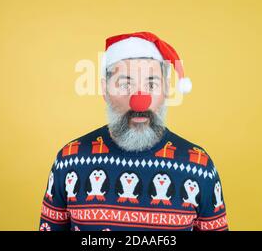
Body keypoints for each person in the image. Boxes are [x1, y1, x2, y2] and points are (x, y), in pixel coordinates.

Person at [39, 31, 228, 231]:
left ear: (166, 90)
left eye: (151, 84)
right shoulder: (69, 160)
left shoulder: (199, 166)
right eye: (125, 83)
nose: (139, 99)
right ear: (104, 90)